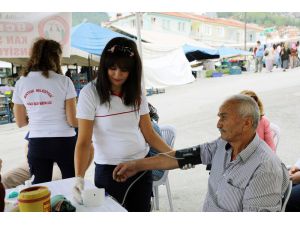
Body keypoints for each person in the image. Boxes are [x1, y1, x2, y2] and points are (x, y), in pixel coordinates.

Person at [113, 94, 289, 212]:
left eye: (224, 117)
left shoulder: (265, 168)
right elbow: (179, 158)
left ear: (246, 123)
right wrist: (136, 165)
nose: (218, 124)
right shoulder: (222, 145)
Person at [73, 37, 173, 212]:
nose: (117, 75)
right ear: (104, 66)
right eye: (112, 68)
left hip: (141, 166)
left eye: (124, 70)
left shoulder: (137, 92)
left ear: (133, 70)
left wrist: (174, 155)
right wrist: (79, 178)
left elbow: (149, 133)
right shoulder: (90, 93)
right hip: (110, 171)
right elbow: (83, 141)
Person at [12, 38, 78, 184]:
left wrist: (38, 115)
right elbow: (72, 120)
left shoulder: (21, 83)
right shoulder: (64, 81)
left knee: (41, 187)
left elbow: (20, 122)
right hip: (65, 141)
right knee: (72, 184)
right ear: (56, 57)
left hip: (37, 142)